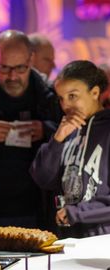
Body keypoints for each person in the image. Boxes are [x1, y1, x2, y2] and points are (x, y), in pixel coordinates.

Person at [0, 30, 60, 245]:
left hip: (37, 206)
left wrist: (45, 130)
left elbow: (71, 138)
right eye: (4, 68)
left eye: (20, 68)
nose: (12, 76)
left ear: (31, 60)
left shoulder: (50, 94)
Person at [30, 60, 110, 238]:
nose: (65, 105)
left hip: (103, 241)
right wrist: (57, 140)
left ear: (95, 92)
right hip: (68, 238)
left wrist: (78, 212)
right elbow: (42, 179)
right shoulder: (66, 131)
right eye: (61, 98)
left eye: (73, 96)